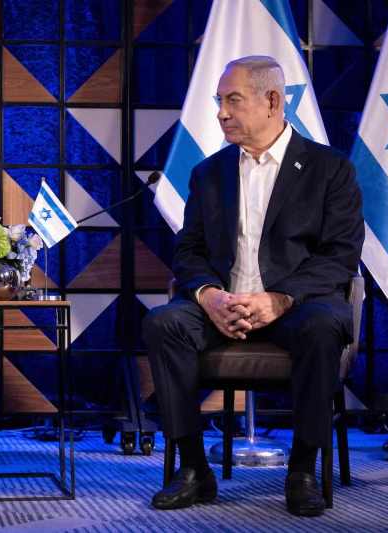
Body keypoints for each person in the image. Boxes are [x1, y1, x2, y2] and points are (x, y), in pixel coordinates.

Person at [143, 56, 363, 517]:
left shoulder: (330, 169)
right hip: (223, 305)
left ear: (272, 101)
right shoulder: (209, 173)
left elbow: (340, 255)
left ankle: (302, 470)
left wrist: (279, 299)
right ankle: (193, 469)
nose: (221, 112)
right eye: (219, 101)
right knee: (164, 324)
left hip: (297, 306)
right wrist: (210, 296)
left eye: (232, 100)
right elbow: (189, 252)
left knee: (322, 327)